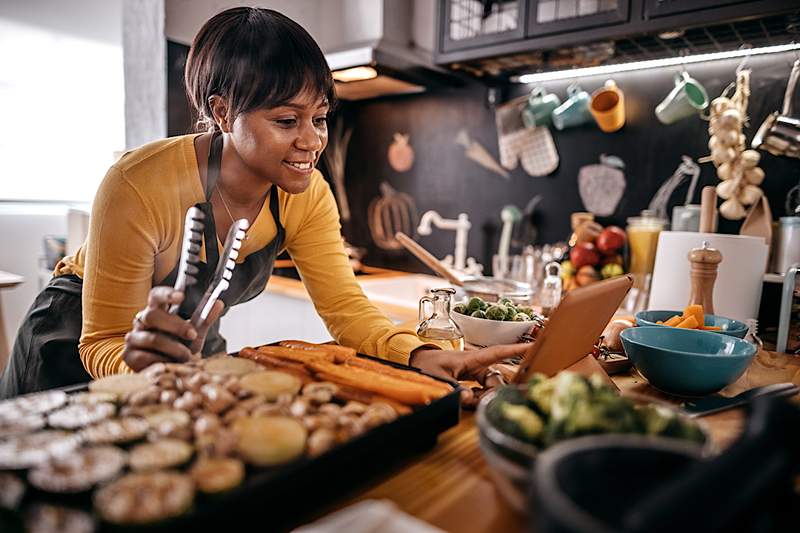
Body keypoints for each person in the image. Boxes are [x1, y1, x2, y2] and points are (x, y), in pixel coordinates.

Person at [0, 7, 525, 400]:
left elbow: (347, 311)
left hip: (188, 350)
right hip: (74, 346)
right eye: (285, 120)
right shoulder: (138, 184)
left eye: (318, 118)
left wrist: (421, 352)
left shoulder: (306, 193)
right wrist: (139, 365)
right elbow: (104, 341)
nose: (311, 140)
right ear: (224, 112)